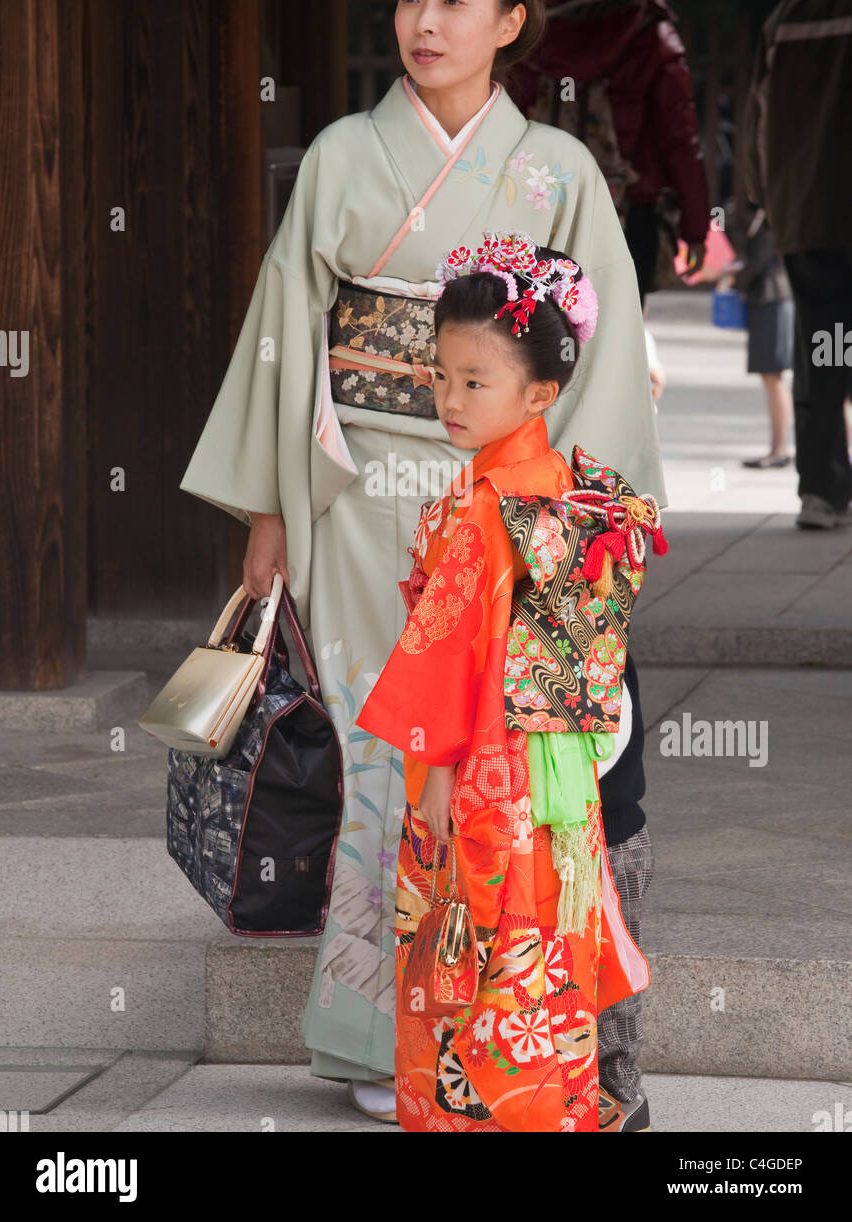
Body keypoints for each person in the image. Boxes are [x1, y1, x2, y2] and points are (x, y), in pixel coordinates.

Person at [179, 0, 666, 1124]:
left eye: (454, 1)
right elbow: (289, 335)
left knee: (487, 766)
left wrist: (562, 528)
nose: (423, 22)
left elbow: (597, 359)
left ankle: (490, 1037)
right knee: (379, 752)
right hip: (354, 493)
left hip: (500, 512)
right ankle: (373, 1031)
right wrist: (268, 511)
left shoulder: (554, 173)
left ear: (510, 24)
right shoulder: (345, 155)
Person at [357, 235, 663, 1131]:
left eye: (474, 382)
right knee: (542, 953)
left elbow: (453, 655)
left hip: (494, 769)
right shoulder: (567, 488)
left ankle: (492, 1116)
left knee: (482, 945)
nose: (449, 398)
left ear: (540, 394)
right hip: (559, 765)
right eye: (441, 375)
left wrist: (442, 773)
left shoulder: (488, 506)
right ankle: (565, 1103)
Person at [506, 0, 710, 309]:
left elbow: (505, 123)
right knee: (618, 343)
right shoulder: (651, 33)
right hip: (631, 214)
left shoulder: (531, 31)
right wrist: (696, 227)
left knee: (540, 342)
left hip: (540, 214)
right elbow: (680, 138)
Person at [743, 0, 852, 529]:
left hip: (808, 214)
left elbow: (759, 121)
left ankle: (822, 491)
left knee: (824, 347)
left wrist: (763, 198)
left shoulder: (791, 12)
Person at [731, 209, 794, 470]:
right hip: (770, 300)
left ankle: (779, 449)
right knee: (771, 378)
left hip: (773, 300)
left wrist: (733, 279)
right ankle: (778, 447)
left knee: (773, 376)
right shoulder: (765, 216)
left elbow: (759, 261)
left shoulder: (773, 217)